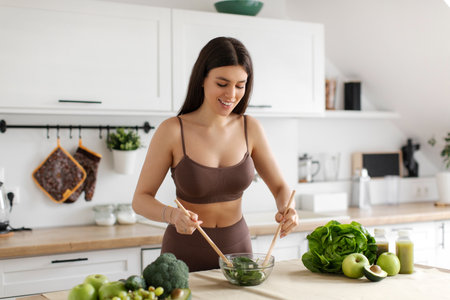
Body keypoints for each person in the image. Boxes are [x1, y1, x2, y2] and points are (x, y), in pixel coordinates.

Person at [132, 36, 299, 272]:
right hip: (182, 253)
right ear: (202, 79)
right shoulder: (172, 130)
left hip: (238, 248)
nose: (231, 94)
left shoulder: (250, 128)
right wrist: (172, 215)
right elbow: (140, 199)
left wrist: (288, 210)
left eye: (240, 85)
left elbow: (281, 188)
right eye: (222, 84)